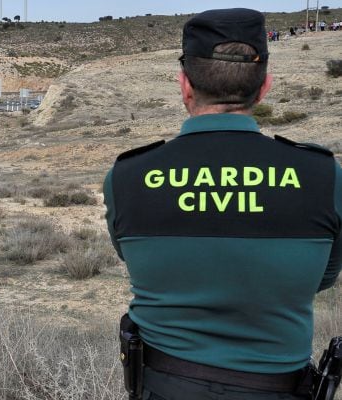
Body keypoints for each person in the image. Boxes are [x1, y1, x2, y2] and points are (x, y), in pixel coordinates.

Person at [103, 8, 342, 399]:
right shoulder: (323, 175)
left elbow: (137, 262)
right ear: (264, 86)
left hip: (163, 386)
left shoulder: (127, 176)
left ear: (184, 85)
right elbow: (323, 278)